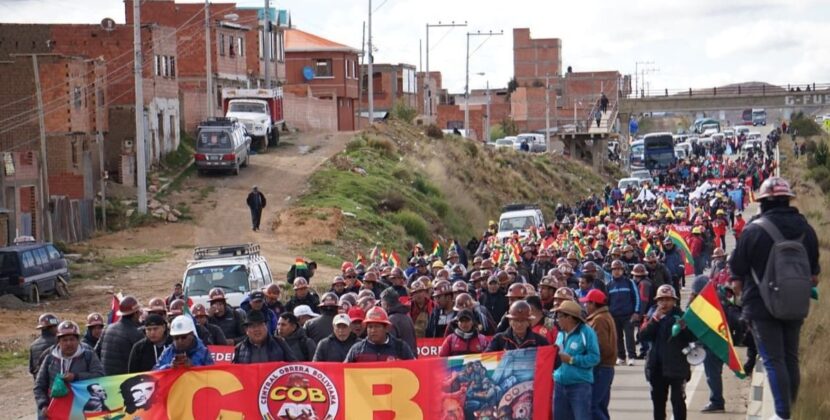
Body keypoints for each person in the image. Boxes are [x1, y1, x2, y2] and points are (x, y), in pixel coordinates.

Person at [729, 177, 820, 420]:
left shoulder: (754, 231)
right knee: (791, 357)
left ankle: (782, 414)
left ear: (764, 202)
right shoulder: (806, 230)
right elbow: (815, 277)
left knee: (773, 359)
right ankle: (789, 408)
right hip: (796, 303)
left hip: (760, 306)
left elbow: (736, 276)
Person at [640, 285, 695, 420]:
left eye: (668, 300)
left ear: (674, 301)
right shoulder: (652, 316)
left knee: (678, 402)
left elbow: (693, 338)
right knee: (658, 403)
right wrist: (655, 320)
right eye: (662, 300)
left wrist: (684, 328)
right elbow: (642, 336)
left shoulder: (681, 316)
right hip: (656, 367)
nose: (665, 303)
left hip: (677, 367)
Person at [34, 321, 104, 419]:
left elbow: (100, 375)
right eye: (64, 340)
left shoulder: (88, 356)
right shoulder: (50, 358)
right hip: (55, 411)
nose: (69, 343)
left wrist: (76, 376)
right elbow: (39, 386)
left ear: (78, 340)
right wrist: (43, 405)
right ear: (59, 341)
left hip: (80, 411)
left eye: (72, 339)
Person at [553, 300, 600, 420]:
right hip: (559, 385)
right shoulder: (560, 333)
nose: (557, 319)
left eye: (560, 316)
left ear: (570, 318)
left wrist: (572, 360)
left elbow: (595, 358)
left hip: (579, 386)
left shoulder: (586, 332)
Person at [580, 289, 617, 420]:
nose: (585, 306)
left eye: (587, 303)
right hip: (605, 367)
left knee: (592, 405)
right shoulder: (604, 316)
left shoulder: (599, 320)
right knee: (600, 405)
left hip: (600, 367)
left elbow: (601, 346)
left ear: (594, 304)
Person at [345, 306, 416, 362]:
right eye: (370, 327)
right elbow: (343, 372)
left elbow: (416, 368)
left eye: (377, 327)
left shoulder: (401, 348)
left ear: (386, 328)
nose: (373, 330)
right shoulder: (357, 349)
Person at [97, 296, 144, 376]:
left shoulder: (107, 328)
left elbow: (96, 352)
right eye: (138, 312)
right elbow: (142, 362)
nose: (140, 314)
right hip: (124, 381)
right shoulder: (136, 334)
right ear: (135, 314)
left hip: (106, 380)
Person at [607, 260, 640, 366]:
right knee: (617, 337)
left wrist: (636, 312)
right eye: (614, 270)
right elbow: (607, 302)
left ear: (622, 270)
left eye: (619, 269)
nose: (616, 272)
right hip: (614, 315)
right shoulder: (609, 285)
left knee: (629, 336)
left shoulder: (629, 282)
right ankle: (621, 357)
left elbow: (637, 298)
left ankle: (631, 356)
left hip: (628, 315)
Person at [233, 310, 298, 364]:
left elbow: (293, 365)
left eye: (260, 325)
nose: (257, 329)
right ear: (246, 330)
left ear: (266, 326)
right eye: (253, 326)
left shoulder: (280, 343)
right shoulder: (239, 348)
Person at [380, 288, 418, 353]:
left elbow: (389, 346)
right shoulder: (407, 317)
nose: (380, 305)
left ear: (385, 304)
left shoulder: (391, 320)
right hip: (411, 359)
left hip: (400, 361)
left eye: (381, 302)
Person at [29, 313, 59, 378]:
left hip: (39, 383)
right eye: (56, 326)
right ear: (52, 327)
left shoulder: (33, 345)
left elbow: (31, 369)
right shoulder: (59, 343)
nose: (57, 328)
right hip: (54, 383)